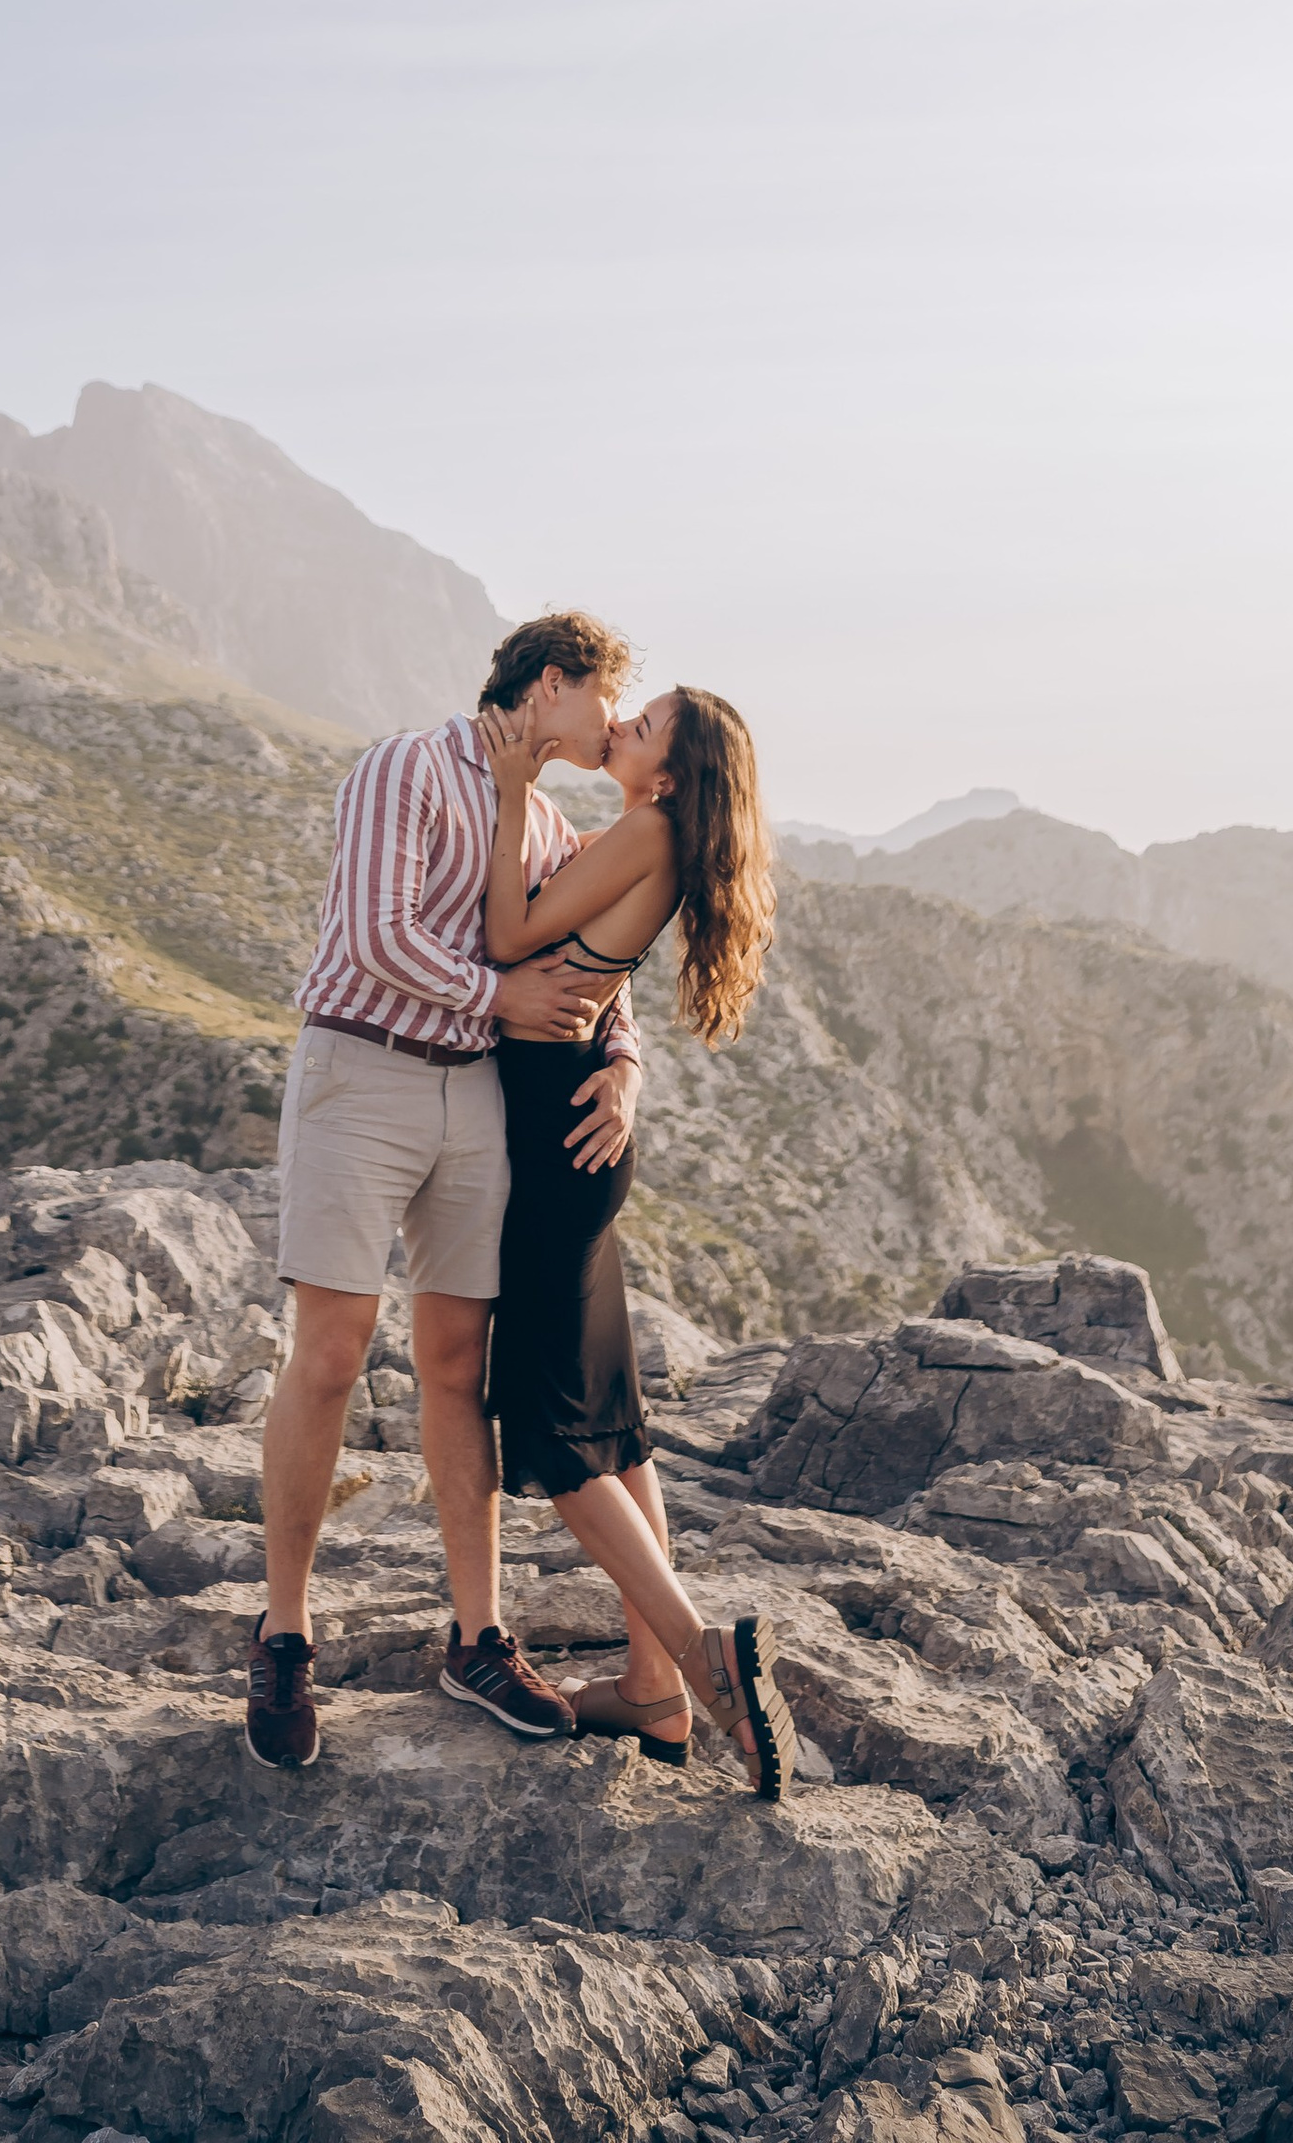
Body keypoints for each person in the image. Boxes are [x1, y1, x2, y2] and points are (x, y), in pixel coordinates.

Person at [246, 610, 643, 1773]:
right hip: (360, 1070)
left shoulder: (560, 828)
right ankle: (282, 1635)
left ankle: (477, 1637)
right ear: (554, 684)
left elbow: (600, 973)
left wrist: (624, 1065)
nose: (614, 724)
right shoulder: (404, 767)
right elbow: (370, 936)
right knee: (329, 1349)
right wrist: (496, 1000)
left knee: (457, 1365)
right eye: (607, 700)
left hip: (477, 1100)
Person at [477, 679, 797, 1798]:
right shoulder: (659, 830)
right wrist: (623, 1060)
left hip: (551, 1140)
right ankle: (652, 1693)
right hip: (583, 1124)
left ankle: (703, 1661)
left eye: (644, 723)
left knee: (557, 1439)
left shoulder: (643, 826)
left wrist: (515, 790)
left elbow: (508, 932)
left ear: (667, 773)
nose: (622, 726)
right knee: (615, 1425)